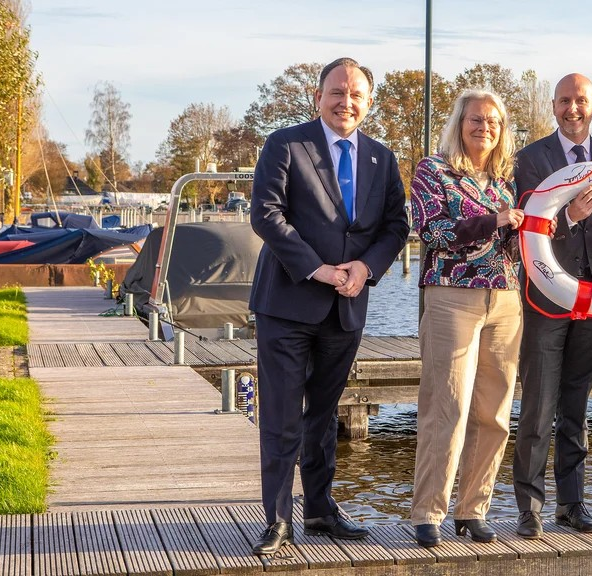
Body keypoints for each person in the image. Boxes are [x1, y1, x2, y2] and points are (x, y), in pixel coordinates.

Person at [247, 57, 410, 555]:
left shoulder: (382, 159)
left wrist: (366, 269)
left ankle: (319, 509)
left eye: (356, 94)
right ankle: (277, 520)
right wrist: (317, 267)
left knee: (323, 414)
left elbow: (395, 226)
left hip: (346, 306)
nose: (346, 102)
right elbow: (265, 214)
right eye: (337, 92)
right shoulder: (286, 144)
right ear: (318, 96)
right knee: (281, 415)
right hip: (289, 302)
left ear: (369, 102)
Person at [511, 73, 592, 539]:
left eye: (580, 100)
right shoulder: (529, 158)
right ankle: (530, 507)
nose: (572, 109)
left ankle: (572, 504)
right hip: (545, 296)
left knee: (577, 404)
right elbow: (527, 226)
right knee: (538, 405)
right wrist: (567, 216)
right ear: (554, 106)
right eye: (564, 101)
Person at [408, 89, 524, 548]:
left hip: (506, 298)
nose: (484, 128)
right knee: (447, 408)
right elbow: (431, 230)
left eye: (493, 122)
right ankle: (428, 511)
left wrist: (530, 228)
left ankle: (472, 510)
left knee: (493, 413)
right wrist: (495, 221)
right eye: (476, 119)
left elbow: (512, 247)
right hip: (452, 296)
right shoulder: (432, 171)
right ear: (459, 123)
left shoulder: (503, 181)